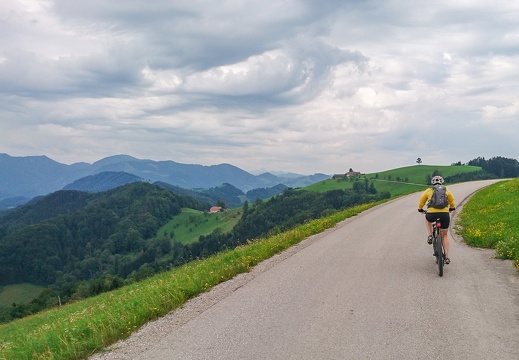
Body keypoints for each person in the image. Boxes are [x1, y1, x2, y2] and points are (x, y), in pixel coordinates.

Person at [417, 175, 455, 264]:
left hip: (431, 214)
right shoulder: (446, 190)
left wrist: (420, 209)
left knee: (427, 219)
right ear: (442, 183)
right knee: (444, 235)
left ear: (432, 183)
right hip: (444, 214)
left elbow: (421, 201)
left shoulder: (429, 190)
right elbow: (452, 201)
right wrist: (451, 208)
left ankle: (430, 235)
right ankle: (447, 257)